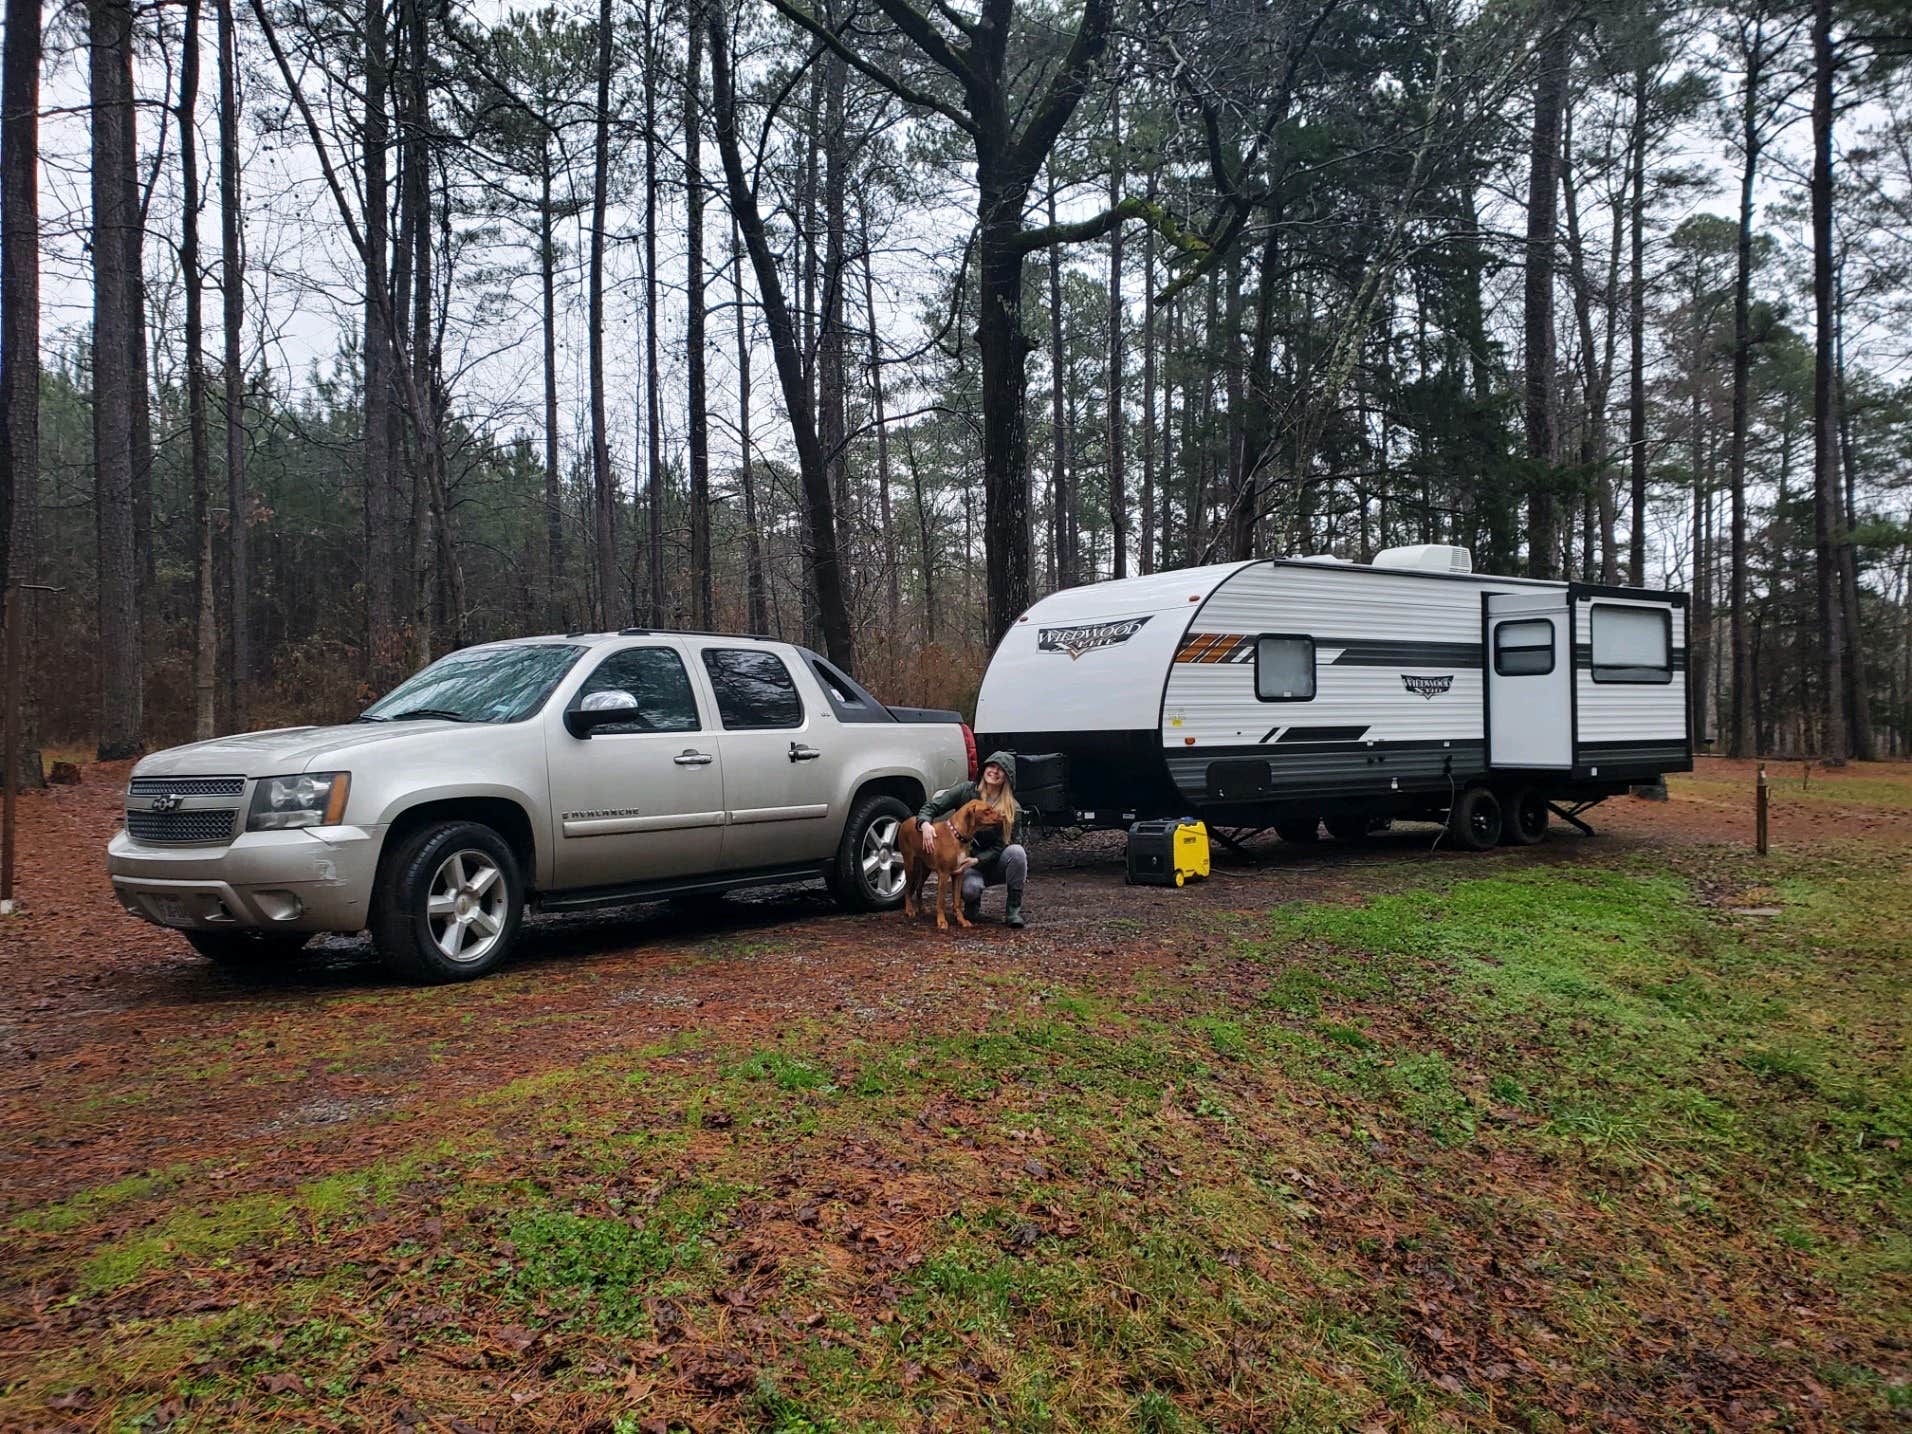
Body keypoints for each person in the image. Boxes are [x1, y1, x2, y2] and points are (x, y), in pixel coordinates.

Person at [917, 751, 1028, 927]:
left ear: (1008, 777)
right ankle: (972, 903)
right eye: (992, 766)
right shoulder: (966, 791)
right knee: (969, 889)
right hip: (967, 864)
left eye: (1001, 770)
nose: (995, 771)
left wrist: (977, 859)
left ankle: (1013, 910)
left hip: (994, 863)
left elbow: (1004, 845)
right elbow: (933, 806)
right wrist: (924, 824)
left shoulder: (1013, 808)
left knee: (1017, 852)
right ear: (984, 769)